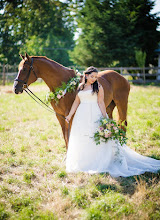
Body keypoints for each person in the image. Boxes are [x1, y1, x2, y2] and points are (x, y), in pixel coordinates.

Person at [65, 66, 160, 177]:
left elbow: (101, 103)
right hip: (81, 114)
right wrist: (70, 115)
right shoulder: (80, 86)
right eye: (92, 76)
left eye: (96, 77)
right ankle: (84, 161)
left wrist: (104, 118)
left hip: (94, 112)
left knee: (95, 135)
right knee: (83, 136)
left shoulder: (98, 87)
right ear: (86, 75)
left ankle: (99, 160)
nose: (94, 79)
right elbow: (77, 101)